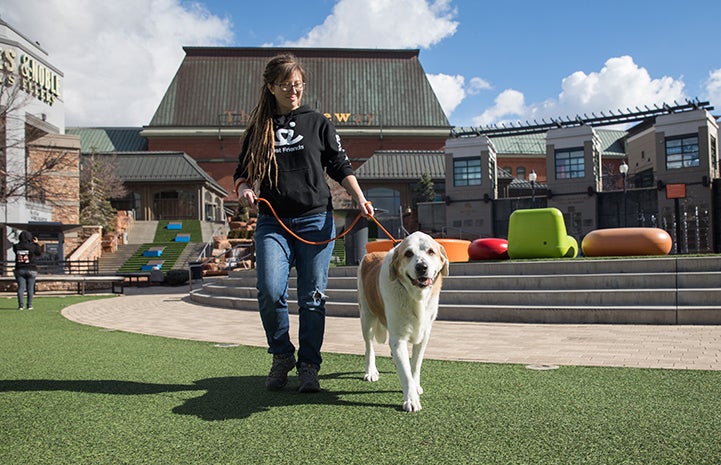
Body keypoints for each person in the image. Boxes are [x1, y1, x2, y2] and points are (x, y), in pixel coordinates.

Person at [233, 54, 373, 393]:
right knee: (269, 290)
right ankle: (282, 355)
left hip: (316, 220)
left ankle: (309, 365)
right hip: (273, 222)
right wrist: (245, 190)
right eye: (286, 85)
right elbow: (242, 175)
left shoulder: (318, 123)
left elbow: (339, 164)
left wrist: (359, 197)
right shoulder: (257, 129)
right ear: (270, 87)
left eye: (298, 85)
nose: (293, 91)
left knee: (312, 297)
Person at [13, 231, 42, 310]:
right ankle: (29, 305)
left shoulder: (16, 246)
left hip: (20, 269)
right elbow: (39, 253)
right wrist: (36, 243)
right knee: (30, 288)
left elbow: (15, 250)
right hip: (31, 269)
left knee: (21, 288)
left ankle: (20, 306)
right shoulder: (32, 246)